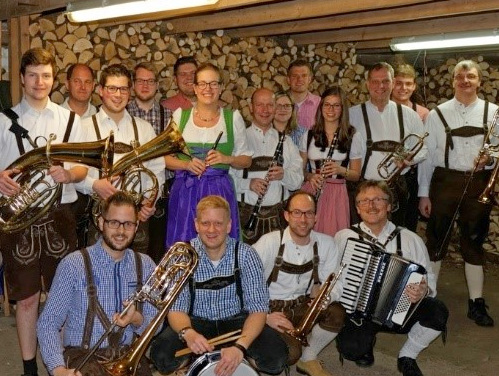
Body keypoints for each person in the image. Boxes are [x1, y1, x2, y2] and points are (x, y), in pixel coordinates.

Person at [0, 47, 87, 376]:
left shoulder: (70, 120)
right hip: (19, 219)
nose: (40, 82)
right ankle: (28, 369)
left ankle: (58, 366)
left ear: (54, 80)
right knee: (26, 299)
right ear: (22, 78)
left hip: (60, 216)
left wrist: (70, 173)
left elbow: (83, 171)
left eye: (46, 75)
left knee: (61, 297)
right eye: (33, 75)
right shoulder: (2, 121)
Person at [150, 195, 288, 376]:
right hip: (195, 322)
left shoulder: (247, 254)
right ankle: (190, 365)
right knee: (162, 357)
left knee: (276, 359)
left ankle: (243, 362)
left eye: (218, 223)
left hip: (238, 322)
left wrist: (240, 347)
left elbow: (258, 309)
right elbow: (176, 310)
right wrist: (188, 334)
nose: (212, 230)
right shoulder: (182, 257)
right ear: (196, 225)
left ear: (229, 225)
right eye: (205, 223)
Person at [335, 180, 448, 376]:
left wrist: (424, 291)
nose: (371, 206)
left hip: (400, 309)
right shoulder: (344, 237)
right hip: (358, 312)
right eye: (365, 201)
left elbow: (428, 277)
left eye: (378, 200)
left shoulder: (411, 239)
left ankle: (407, 356)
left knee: (437, 312)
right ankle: (367, 340)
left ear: (389, 206)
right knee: (351, 350)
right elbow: (331, 276)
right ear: (357, 208)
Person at [37, 191, 157, 376]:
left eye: (128, 224)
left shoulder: (146, 264)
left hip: (127, 356)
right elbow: (48, 322)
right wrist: (59, 370)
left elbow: (155, 325)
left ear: (137, 226)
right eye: (113, 222)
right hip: (83, 356)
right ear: (101, 223)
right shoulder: (74, 264)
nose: (121, 231)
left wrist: (136, 319)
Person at [418, 60, 497, 327]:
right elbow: (427, 158)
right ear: (453, 80)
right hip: (445, 181)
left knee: (473, 242)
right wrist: (423, 194)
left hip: (478, 182)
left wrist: (490, 159)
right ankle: (428, 298)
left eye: (471, 76)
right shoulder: (437, 114)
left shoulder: (494, 112)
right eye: (460, 76)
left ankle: (476, 303)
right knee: (437, 240)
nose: (465, 81)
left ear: (479, 81)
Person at [253, 191, 345, 376]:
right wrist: (265, 316)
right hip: (271, 309)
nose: (303, 219)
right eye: (297, 212)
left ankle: (309, 357)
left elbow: (336, 283)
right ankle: (252, 349)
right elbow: (245, 284)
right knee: (289, 355)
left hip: (303, 305)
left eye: (308, 213)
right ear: (286, 215)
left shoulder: (327, 244)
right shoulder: (269, 242)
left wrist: (326, 298)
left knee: (337, 313)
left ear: (316, 217)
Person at [75, 64, 165, 254]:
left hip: (137, 217)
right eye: (112, 88)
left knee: (136, 272)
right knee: (97, 274)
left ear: (130, 92)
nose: (118, 94)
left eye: (123, 89)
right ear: (101, 90)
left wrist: (150, 202)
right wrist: (94, 185)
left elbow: (156, 170)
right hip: (97, 216)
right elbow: (72, 172)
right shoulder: (82, 127)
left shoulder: (144, 128)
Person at [165, 63, 251, 247]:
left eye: (213, 83)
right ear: (195, 88)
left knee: (220, 244)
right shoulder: (180, 116)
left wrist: (226, 159)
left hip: (219, 191)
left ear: (220, 88)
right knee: (183, 244)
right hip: (185, 192)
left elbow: (246, 160)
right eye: (203, 84)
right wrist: (186, 165)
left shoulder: (233, 118)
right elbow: (164, 158)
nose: (208, 89)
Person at [349, 62, 427, 227]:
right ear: (367, 84)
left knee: (398, 235)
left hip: (398, 188)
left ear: (392, 83)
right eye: (375, 81)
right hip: (363, 188)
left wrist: (409, 159)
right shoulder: (352, 115)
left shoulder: (410, 115)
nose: (381, 86)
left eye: (385, 81)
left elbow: (423, 148)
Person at [232, 88, 303, 244]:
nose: (265, 110)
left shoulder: (287, 142)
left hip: (277, 217)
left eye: (270, 105)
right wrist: (247, 184)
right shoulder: (238, 139)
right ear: (251, 108)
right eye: (260, 105)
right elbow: (226, 177)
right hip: (245, 214)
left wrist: (283, 175)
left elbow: (298, 181)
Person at [300, 85, 364, 236]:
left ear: (343, 109)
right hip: (312, 190)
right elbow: (300, 170)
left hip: (338, 194)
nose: (331, 110)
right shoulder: (309, 135)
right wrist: (310, 176)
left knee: (334, 237)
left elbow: (356, 175)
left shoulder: (353, 135)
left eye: (336, 106)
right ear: (321, 107)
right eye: (327, 105)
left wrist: (341, 170)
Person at [127, 62, 173, 263]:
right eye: (140, 81)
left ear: (156, 85)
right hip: (129, 193)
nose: (145, 85)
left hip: (160, 197)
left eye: (150, 81)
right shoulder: (122, 113)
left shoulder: (169, 116)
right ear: (132, 84)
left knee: (156, 252)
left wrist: (152, 198)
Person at [391, 63, 430, 232]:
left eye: (408, 83)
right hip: (386, 172)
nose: (403, 88)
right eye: (398, 83)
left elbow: (425, 147)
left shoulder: (423, 113)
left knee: (407, 223)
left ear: (414, 86)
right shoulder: (382, 109)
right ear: (391, 84)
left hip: (411, 175)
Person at [287, 59, 320, 130]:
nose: (299, 79)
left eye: (304, 75)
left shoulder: (320, 104)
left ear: (309, 79)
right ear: (288, 80)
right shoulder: (278, 102)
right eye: (295, 76)